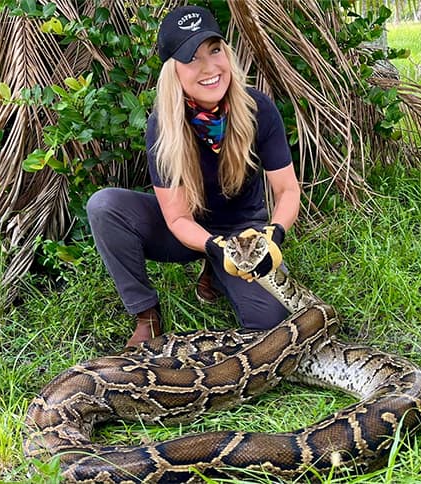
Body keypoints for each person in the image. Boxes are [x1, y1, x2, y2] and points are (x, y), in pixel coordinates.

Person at [86, 5, 301, 348]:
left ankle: (216, 274)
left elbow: (287, 190)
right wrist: (213, 248)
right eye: (192, 58)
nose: (210, 67)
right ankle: (147, 315)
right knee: (105, 206)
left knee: (270, 324)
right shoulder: (163, 125)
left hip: (243, 233)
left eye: (215, 50)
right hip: (186, 230)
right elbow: (177, 216)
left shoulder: (258, 108)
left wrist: (273, 235)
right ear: (174, 71)